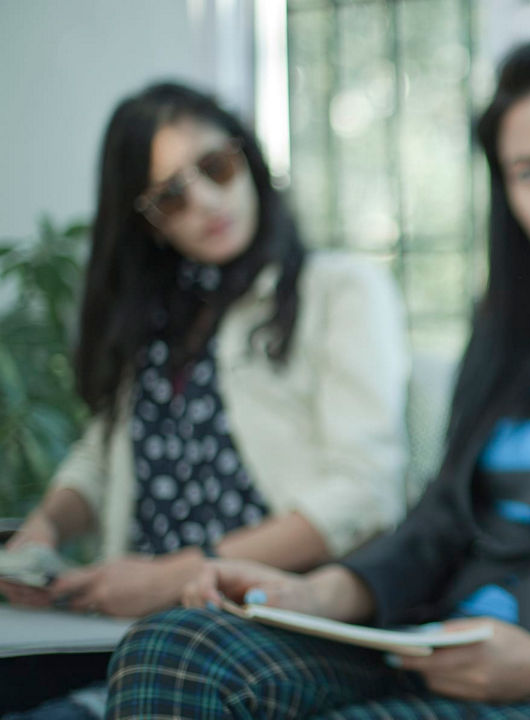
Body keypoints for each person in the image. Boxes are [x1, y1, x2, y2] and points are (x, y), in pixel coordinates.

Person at [105, 40, 530, 720]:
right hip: (427, 644)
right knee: (171, 647)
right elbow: (442, 520)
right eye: (528, 172)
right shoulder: (515, 336)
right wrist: (315, 593)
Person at [1, 82, 410, 716]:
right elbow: (104, 453)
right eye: (170, 197)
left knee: (166, 663)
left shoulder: (340, 290)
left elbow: (365, 491)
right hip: (128, 625)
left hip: (282, 616)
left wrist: (173, 575)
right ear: (146, 222)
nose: (207, 202)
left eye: (217, 167)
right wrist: (46, 527)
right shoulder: (157, 320)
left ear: (249, 158)